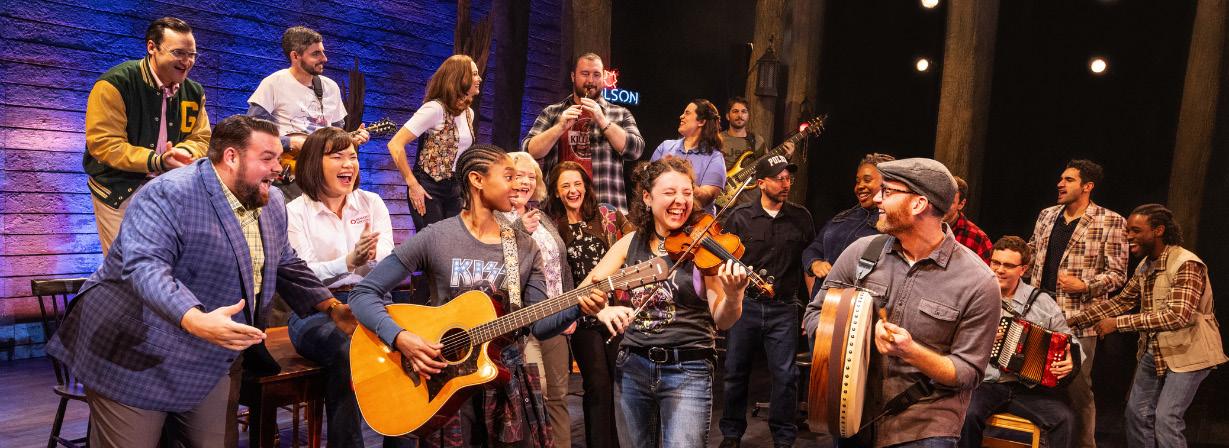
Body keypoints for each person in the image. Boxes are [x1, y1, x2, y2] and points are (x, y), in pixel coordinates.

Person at [47, 115, 351, 447]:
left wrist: (332, 308)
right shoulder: (168, 193)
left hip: (210, 357)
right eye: (268, 158)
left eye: (279, 158)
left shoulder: (272, 200)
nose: (279, 168)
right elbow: (146, 266)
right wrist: (195, 319)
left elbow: (286, 262)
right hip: (134, 350)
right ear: (231, 157)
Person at [349, 145, 606, 447]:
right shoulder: (436, 237)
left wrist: (578, 307)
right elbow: (363, 293)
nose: (517, 185)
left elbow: (538, 324)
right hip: (443, 385)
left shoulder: (525, 247)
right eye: (508, 176)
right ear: (477, 179)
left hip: (504, 384)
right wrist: (400, 337)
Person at [802, 158, 1000, 447]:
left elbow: (968, 372)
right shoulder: (860, 253)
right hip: (852, 415)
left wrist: (910, 351)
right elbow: (814, 315)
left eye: (888, 191)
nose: (878, 199)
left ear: (919, 204)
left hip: (924, 427)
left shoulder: (978, 281)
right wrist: (859, 334)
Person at [589, 157, 750, 447]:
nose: (680, 201)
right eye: (669, 192)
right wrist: (603, 309)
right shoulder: (631, 243)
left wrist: (734, 295)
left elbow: (723, 320)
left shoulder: (704, 248)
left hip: (688, 369)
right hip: (633, 366)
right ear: (647, 198)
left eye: (687, 193)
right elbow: (589, 287)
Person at [1067, 204, 1227, 448]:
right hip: (1155, 350)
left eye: (1136, 230)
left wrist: (1118, 324)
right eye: (1128, 230)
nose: (1128, 236)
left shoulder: (1186, 264)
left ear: (1158, 230)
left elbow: (1177, 316)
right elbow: (1123, 301)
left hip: (1188, 352)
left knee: (1166, 419)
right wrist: (1071, 321)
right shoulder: (1146, 265)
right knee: (1137, 414)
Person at [283, 127, 395, 447]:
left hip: (372, 300)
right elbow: (302, 274)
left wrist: (370, 259)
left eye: (353, 156)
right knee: (348, 351)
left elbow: (390, 263)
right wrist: (347, 261)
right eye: (337, 156)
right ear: (312, 162)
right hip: (315, 309)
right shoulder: (295, 211)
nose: (349, 164)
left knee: (408, 342)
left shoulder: (371, 203)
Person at [84, 17, 211, 255]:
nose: (187, 62)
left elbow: (201, 137)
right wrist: (157, 161)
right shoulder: (115, 84)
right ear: (152, 47)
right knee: (128, 266)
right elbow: (103, 144)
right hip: (119, 191)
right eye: (178, 53)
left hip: (170, 192)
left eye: (192, 55)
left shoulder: (194, 91)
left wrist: (184, 152)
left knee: (168, 263)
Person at [1027, 159, 1128, 448]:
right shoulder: (1047, 215)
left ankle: (1085, 444)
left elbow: (1118, 274)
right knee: (1033, 380)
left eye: (1069, 180)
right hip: (1038, 312)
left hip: (1077, 317)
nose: (1060, 184)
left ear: (1088, 186)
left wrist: (1085, 285)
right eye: (1061, 179)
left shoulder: (1110, 221)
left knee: (1077, 387)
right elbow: (1031, 252)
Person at [717, 155, 815, 448]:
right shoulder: (740, 217)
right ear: (760, 183)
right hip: (745, 305)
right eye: (778, 178)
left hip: (784, 307)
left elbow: (808, 264)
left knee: (785, 376)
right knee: (735, 371)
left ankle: (783, 438)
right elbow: (724, 263)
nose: (786, 184)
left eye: (788, 178)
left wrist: (812, 307)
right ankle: (731, 434)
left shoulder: (801, 217)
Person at [541, 161, 633, 448]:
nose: (573, 190)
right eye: (565, 185)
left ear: (586, 186)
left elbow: (634, 241)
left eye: (577, 184)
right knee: (597, 383)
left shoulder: (607, 215)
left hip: (615, 310)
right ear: (556, 192)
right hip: (580, 314)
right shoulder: (552, 225)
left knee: (621, 383)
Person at [960, 236, 1078, 448]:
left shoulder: (1041, 301)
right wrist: (980, 338)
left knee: (1065, 419)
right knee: (967, 415)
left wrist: (1071, 360)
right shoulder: (974, 294)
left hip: (1026, 388)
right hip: (984, 383)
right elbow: (951, 337)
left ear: (1023, 269)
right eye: (996, 263)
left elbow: (1069, 340)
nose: (999, 270)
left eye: (1008, 265)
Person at [247, 26, 371, 200]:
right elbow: (252, 133)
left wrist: (350, 140)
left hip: (323, 173)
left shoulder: (331, 87)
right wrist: (289, 142)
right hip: (289, 175)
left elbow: (338, 133)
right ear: (295, 56)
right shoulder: (273, 83)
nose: (324, 58)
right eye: (316, 54)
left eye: (323, 52)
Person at [505, 152, 575, 448]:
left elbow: (562, 264)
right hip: (525, 323)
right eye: (518, 175)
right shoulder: (496, 218)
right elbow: (503, 266)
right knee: (536, 393)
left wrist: (569, 308)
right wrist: (519, 230)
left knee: (558, 395)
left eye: (531, 176)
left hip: (556, 316)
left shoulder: (541, 215)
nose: (525, 182)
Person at [522, 53, 646, 212]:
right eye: (585, 74)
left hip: (606, 210)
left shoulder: (620, 113)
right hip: (559, 210)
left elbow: (636, 150)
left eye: (596, 75)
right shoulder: (552, 112)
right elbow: (529, 151)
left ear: (603, 78)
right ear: (573, 76)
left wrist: (603, 121)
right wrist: (559, 127)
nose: (590, 81)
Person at [387, 55, 482, 230]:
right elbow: (395, 144)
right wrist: (412, 184)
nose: (479, 79)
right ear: (460, 78)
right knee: (434, 241)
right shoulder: (435, 109)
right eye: (474, 74)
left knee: (454, 240)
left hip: (455, 189)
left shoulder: (469, 113)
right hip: (429, 188)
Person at [801, 153, 895, 291]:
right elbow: (814, 248)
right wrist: (815, 263)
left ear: (888, 183)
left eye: (867, 180)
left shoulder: (893, 224)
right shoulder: (843, 217)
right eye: (858, 181)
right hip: (824, 301)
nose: (860, 186)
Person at [650, 99, 727, 211]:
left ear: (701, 122)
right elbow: (646, 181)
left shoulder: (715, 157)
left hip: (696, 220)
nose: (681, 116)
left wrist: (681, 178)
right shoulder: (665, 146)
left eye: (687, 113)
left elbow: (707, 197)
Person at [943, 176, 992, 264]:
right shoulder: (922, 227)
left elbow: (987, 272)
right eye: (939, 199)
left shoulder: (978, 238)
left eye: (949, 202)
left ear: (961, 204)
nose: (941, 205)